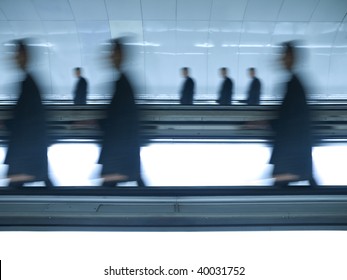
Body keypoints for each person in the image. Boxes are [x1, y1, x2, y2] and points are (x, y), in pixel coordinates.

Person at [4, 39, 53, 188]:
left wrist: (6, 124)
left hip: (24, 158)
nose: (15, 58)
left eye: (18, 54)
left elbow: (27, 122)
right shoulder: (29, 83)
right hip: (28, 158)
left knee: (14, 195)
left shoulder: (28, 85)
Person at [98, 38, 145, 187]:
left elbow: (122, 125)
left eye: (114, 52)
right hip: (121, 161)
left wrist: (116, 166)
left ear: (122, 55)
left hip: (118, 161)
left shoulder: (122, 85)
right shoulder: (123, 83)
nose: (110, 56)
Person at [270, 41, 317, 187]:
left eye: (284, 56)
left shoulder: (293, 85)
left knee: (279, 195)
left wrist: (266, 123)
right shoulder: (296, 83)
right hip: (295, 160)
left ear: (292, 57)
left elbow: (291, 122)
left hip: (289, 159)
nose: (281, 59)